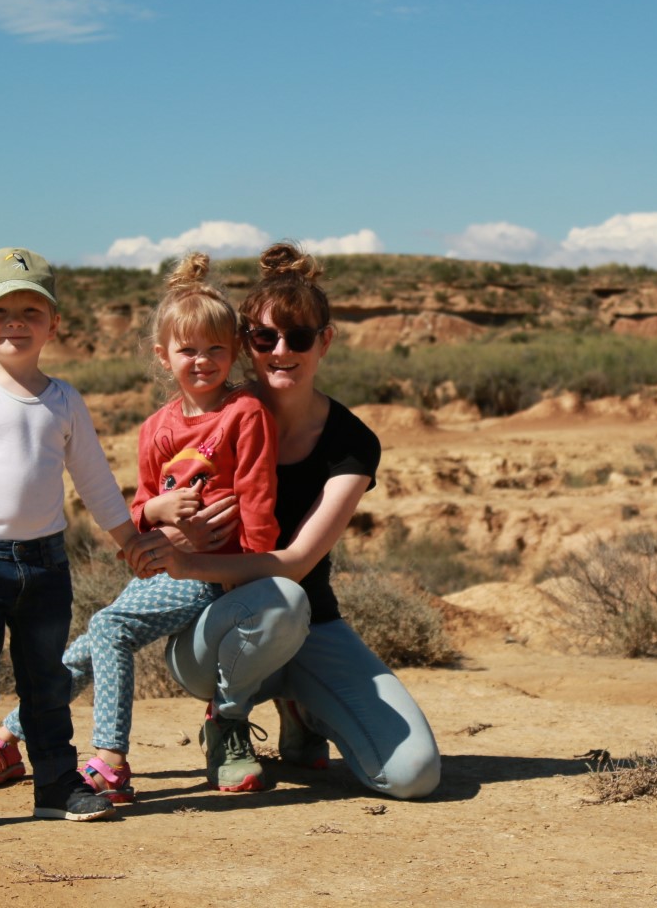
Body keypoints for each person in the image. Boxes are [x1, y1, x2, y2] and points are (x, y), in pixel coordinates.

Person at [136, 242, 442, 799]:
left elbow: (299, 563)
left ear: (325, 340)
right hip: (215, 629)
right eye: (264, 337)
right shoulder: (210, 417)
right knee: (279, 603)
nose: (282, 350)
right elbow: (148, 510)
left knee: (414, 775)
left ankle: (302, 708)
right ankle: (227, 720)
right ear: (243, 343)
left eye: (299, 337)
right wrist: (164, 532)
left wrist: (184, 561)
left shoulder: (350, 442)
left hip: (308, 619)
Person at [0, 252, 278, 803]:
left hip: (211, 571)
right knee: (92, 645)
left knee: (109, 630)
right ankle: (7, 737)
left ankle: (111, 760)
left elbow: (258, 499)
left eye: (216, 349)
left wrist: (250, 578)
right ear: (163, 357)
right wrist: (154, 516)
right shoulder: (157, 427)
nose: (203, 361)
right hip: (163, 563)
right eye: (188, 350)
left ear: (234, 352)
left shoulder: (245, 414)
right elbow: (141, 503)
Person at [0, 246, 141, 833]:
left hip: (45, 566)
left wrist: (129, 541)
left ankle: (57, 786)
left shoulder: (63, 399)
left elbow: (94, 480)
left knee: (48, 684)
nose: (15, 322)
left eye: (30, 312)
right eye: (0, 310)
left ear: (53, 324)